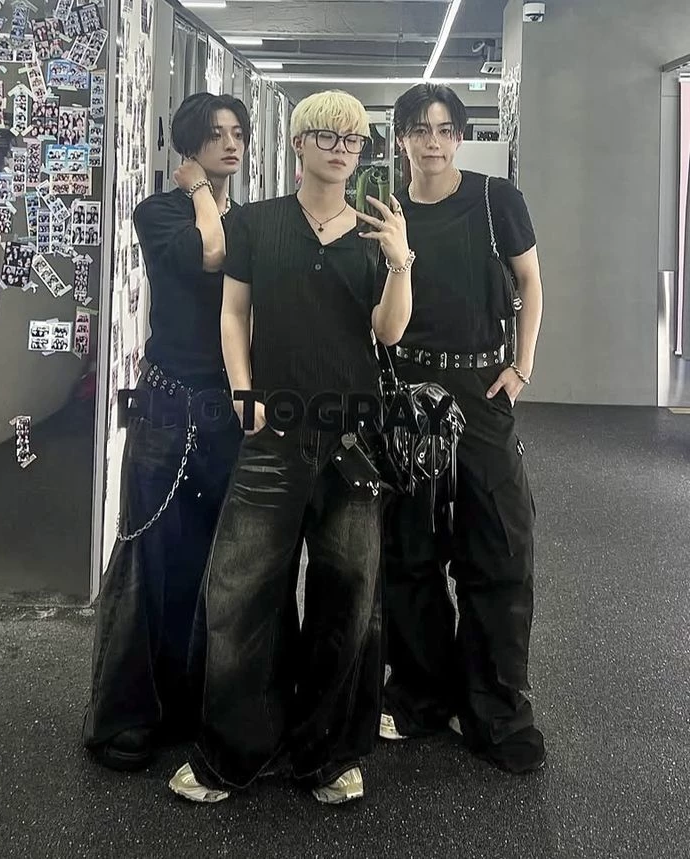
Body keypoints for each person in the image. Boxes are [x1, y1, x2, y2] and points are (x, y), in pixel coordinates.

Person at [170, 90, 414, 805]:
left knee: (348, 597)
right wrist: (242, 389)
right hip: (272, 433)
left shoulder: (374, 234)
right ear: (299, 143)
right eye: (327, 136)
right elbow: (233, 312)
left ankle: (327, 752)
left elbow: (389, 332)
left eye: (353, 140)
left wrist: (401, 263)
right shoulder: (256, 223)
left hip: (352, 440)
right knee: (240, 592)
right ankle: (231, 752)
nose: (342, 149)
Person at [378, 84, 546, 774]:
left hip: (481, 388)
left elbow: (530, 282)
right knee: (409, 552)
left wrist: (522, 367)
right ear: (401, 138)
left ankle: (496, 708)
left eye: (446, 129)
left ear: (460, 137)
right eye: (420, 129)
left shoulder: (494, 199)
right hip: (408, 391)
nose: (434, 141)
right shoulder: (387, 212)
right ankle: (421, 695)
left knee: (500, 546)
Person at [83, 92, 251, 771]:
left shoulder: (250, 219)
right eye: (215, 135)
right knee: (150, 555)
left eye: (237, 133)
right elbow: (210, 254)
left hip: (226, 408)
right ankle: (128, 715)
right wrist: (199, 190)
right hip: (166, 404)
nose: (231, 144)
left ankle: (198, 704)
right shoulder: (159, 213)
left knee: (221, 561)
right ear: (189, 146)